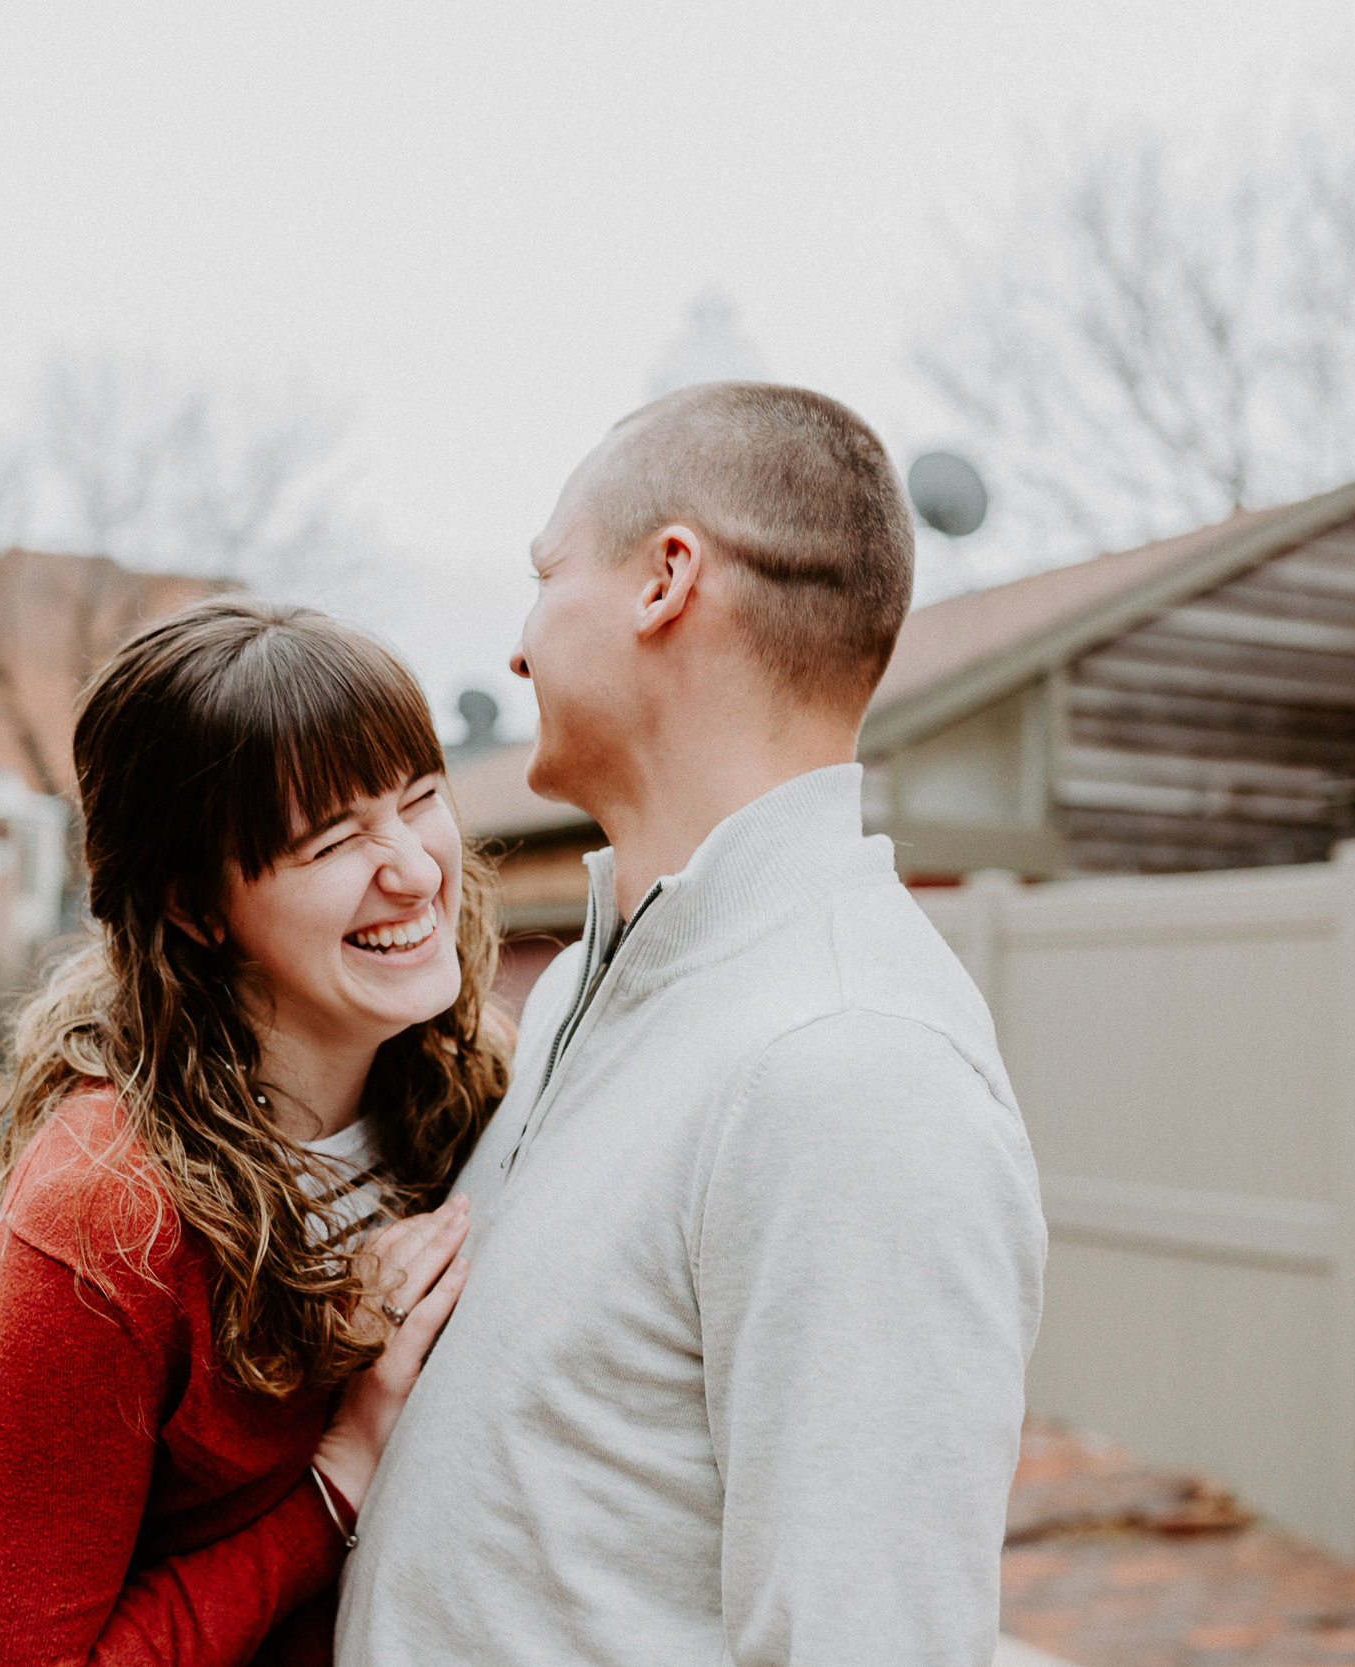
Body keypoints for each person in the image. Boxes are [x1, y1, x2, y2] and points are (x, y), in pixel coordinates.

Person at [338, 383, 1048, 1666]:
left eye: (545, 573)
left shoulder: (850, 1063)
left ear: (665, 579)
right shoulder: (586, 985)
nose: (516, 651)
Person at [0, 599, 510, 1667]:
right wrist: (340, 1470)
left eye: (420, 797)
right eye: (333, 839)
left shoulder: (479, 1094)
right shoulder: (108, 1213)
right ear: (196, 906)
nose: (417, 869)